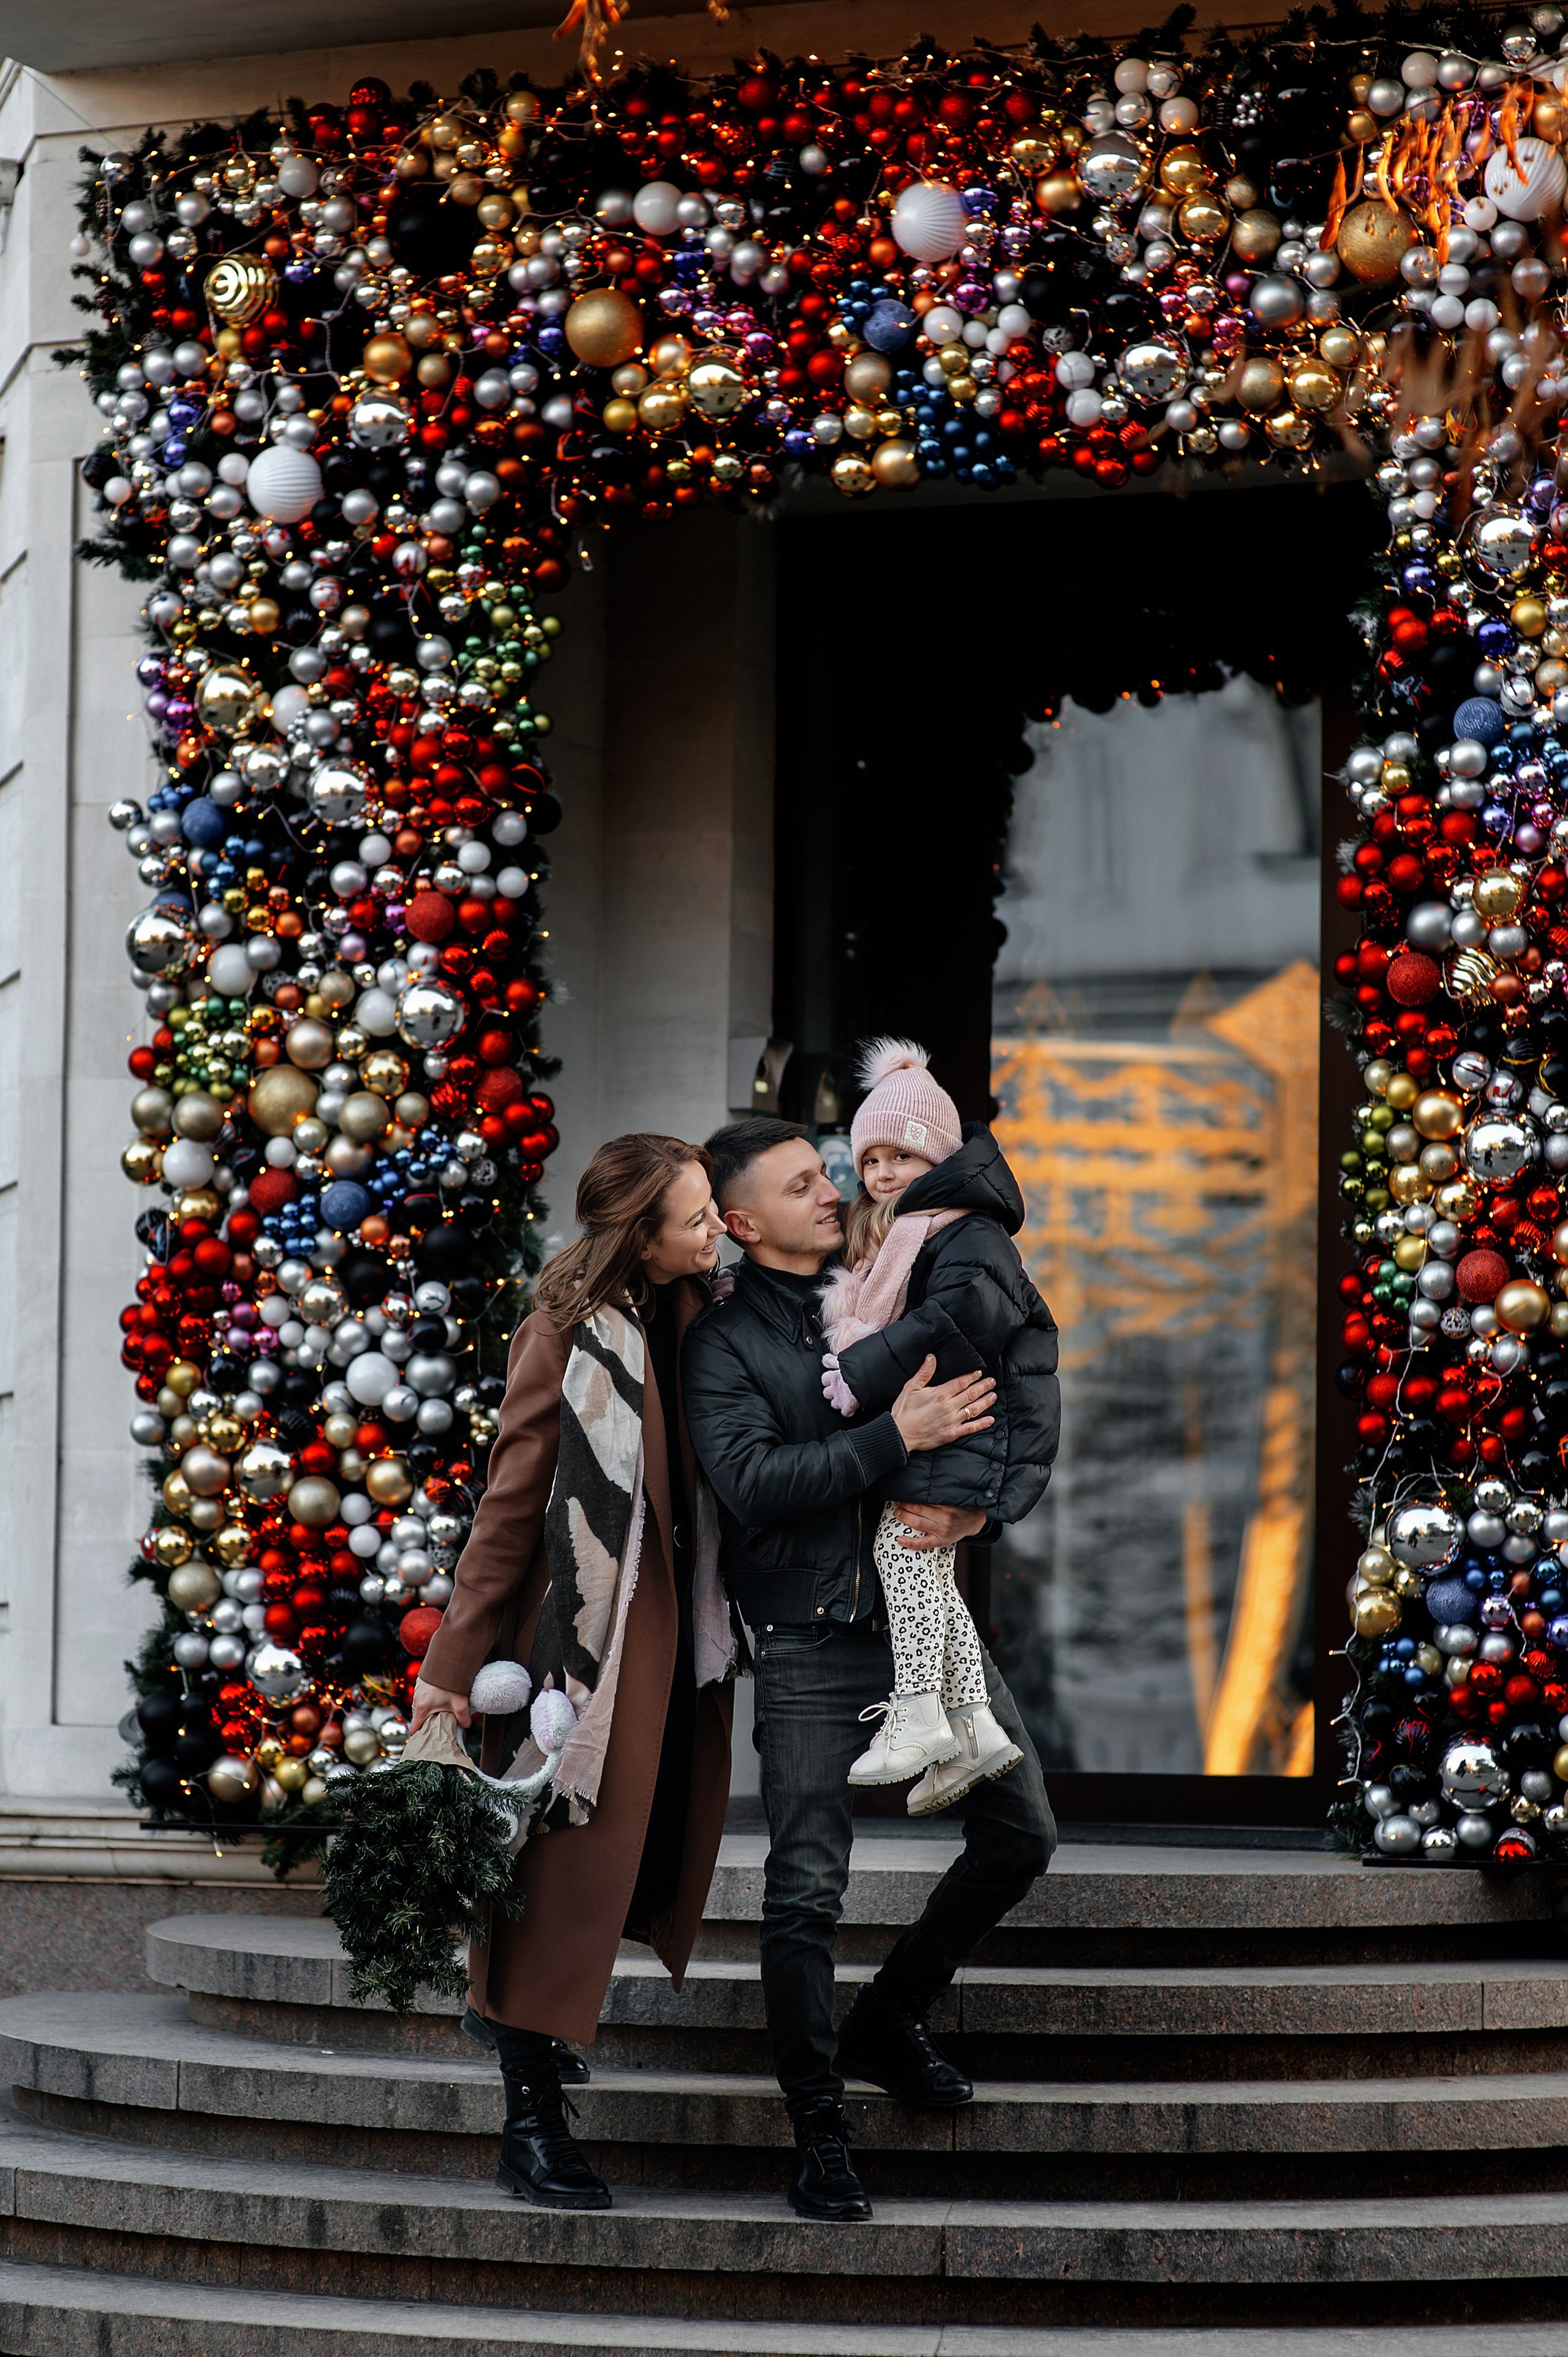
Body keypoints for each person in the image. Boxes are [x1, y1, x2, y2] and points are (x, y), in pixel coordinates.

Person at [682, 1116, 1057, 2225]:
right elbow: (753, 1480)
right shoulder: (724, 1339)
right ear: (743, 1222)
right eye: (802, 1184)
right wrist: (894, 1433)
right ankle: (818, 2126)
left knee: (1022, 1830)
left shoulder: (900, 1267)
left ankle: (888, 2017)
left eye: (828, 1171)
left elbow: (991, 1391)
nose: (831, 1190)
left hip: (923, 1606)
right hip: (806, 1631)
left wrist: (981, 1498)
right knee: (805, 1889)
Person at [411, 1134, 734, 2213]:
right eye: (695, 1217)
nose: (715, 1228)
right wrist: (453, 1663)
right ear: (641, 1235)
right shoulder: (565, 1332)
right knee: (553, 1875)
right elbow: (508, 1507)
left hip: (679, 1640)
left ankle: (536, 2066)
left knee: (619, 1861)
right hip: (580, 1654)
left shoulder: (704, 1317)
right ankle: (531, 2122)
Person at [820, 1040, 1060, 1807]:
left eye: (903, 1156)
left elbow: (961, 1316)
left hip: (967, 1421)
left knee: (906, 1553)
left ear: (939, 1157)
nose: (884, 1173)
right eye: (872, 1159)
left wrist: (859, 1370)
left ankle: (921, 1712)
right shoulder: (913, 1227)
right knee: (918, 1563)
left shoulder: (966, 1229)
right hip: (953, 1420)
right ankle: (975, 1727)